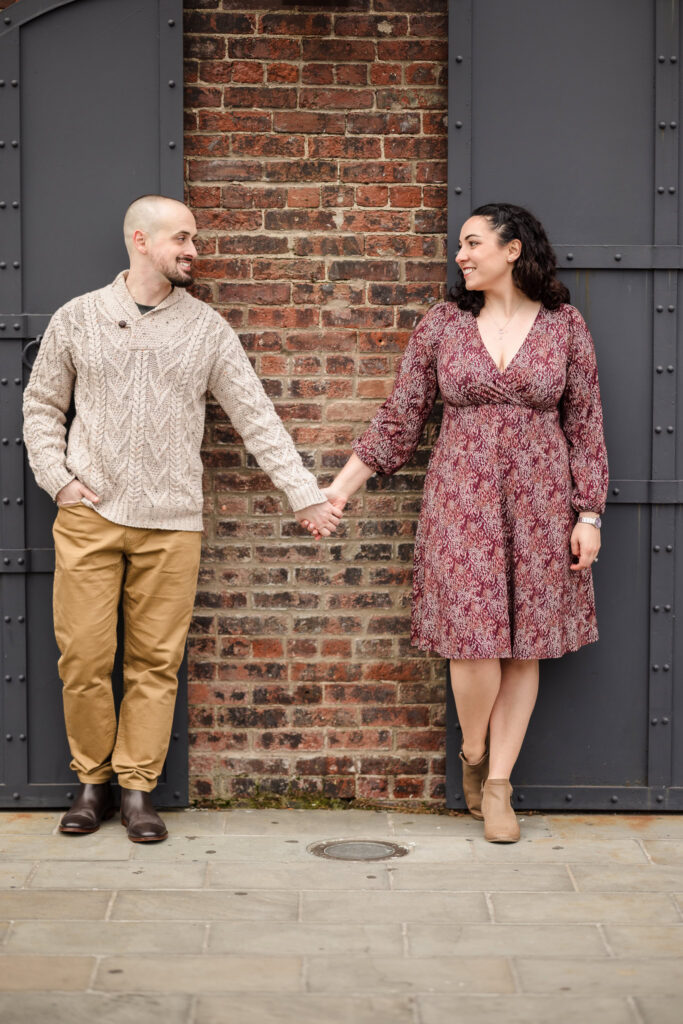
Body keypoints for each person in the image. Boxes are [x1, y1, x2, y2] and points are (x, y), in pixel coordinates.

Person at [23, 195, 341, 842]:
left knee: (154, 662)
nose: (193, 250)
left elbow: (255, 416)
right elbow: (40, 407)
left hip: (172, 523)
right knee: (83, 657)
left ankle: (138, 790)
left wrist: (302, 493)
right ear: (141, 240)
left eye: (194, 239)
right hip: (90, 517)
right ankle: (92, 783)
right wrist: (58, 481)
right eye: (182, 238)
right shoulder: (78, 318)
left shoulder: (206, 329)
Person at [304, 203, 608, 843]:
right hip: (461, 499)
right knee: (473, 643)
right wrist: (339, 489)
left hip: (541, 504)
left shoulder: (564, 325)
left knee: (526, 646)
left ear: (513, 249)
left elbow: (585, 424)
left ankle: (498, 783)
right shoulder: (443, 324)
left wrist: (589, 513)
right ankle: (473, 751)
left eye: (473, 243)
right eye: (460, 246)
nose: (461, 255)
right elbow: (401, 415)